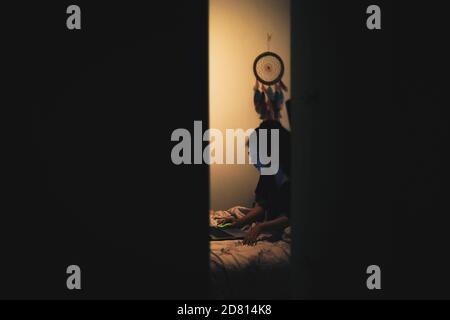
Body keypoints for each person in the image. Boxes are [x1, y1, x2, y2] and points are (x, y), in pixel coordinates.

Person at [220, 80, 291, 246]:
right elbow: (261, 207)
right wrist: (239, 222)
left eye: (255, 153)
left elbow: (290, 217)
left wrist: (260, 227)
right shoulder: (267, 175)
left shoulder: (291, 177)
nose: (252, 159)